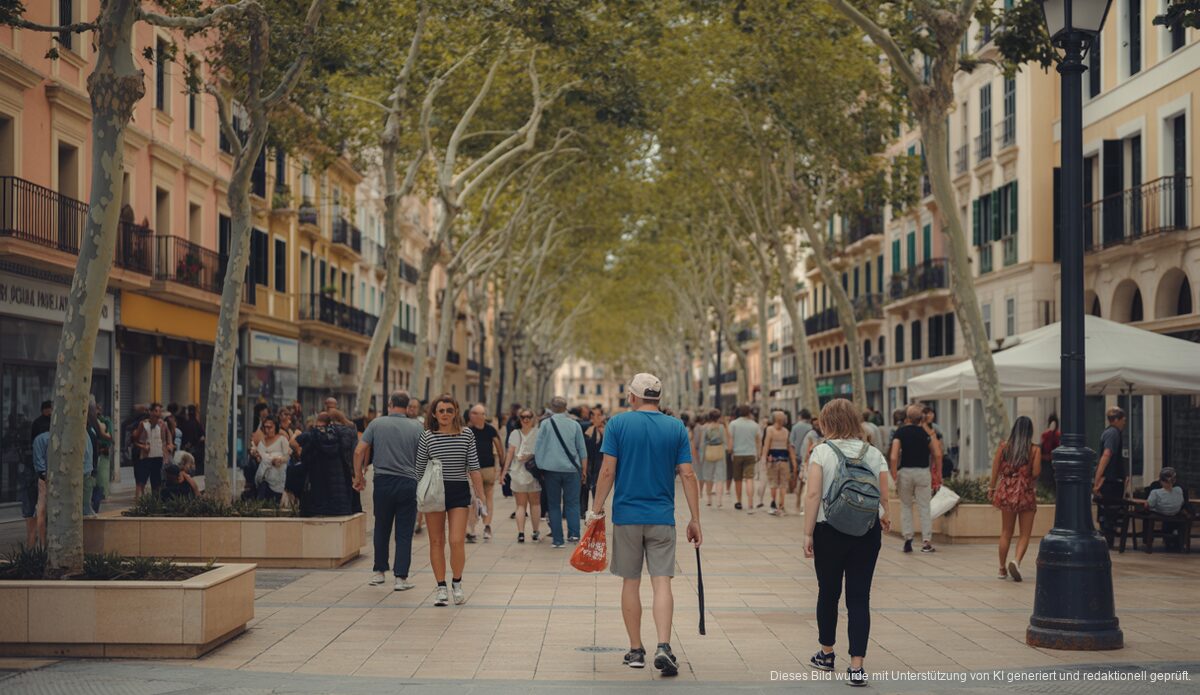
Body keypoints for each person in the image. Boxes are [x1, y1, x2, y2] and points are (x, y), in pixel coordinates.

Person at [590, 373, 700, 677]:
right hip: (662, 517)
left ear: (632, 397)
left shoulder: (618, 424)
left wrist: (596, 509)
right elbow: (688, 475)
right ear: (659, 398)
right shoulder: (675, 426)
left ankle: (636, 650)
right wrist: (695, 519)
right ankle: (663, 645)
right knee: (662, 581)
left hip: (626, 516)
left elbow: (608, 470)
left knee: (631, 582)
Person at [802, 398, 891, 687]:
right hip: (867, 531)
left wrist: (807, 533)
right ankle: (857, 667)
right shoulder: (874, 453)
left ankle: (827, 654)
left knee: (828, 593)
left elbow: (813, 496)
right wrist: (885, 516)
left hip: (829, 530)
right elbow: (884, 494)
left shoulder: (821, 452)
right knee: (859, 597)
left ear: (826, 422)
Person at [416, 394, 486, 606]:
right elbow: (419, 469)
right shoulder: (427, 436)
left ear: (456, 412)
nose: (445, 414)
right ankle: (440, 587)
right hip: (435, 491)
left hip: (458, 490)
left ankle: (457, 582)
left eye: (449, 410)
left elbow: (474, 467)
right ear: (434, 414)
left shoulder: (466, 435)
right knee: (436, 541)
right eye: (441, 411)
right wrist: (420, 496)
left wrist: (481, 498)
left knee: (456, 540)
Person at [354, 391, 423, 590]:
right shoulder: (417, 426)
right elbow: (424, 455)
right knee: (403, 532)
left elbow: (359, 450)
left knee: (382, 528)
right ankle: (401, 578)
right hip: (408, 483)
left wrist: (359, 476)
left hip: (383, 481)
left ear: (390, 404)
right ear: (408, 405)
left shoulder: (376, 424)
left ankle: (379, 572)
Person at [988, 416, 1041, 581]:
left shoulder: (1004, 447)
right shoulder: (1034, 450)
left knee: (1006, 532)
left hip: (1007, 491)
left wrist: (991, 488)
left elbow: (995, 470)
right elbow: (1036, 473)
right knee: (1024, 534)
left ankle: (1002, 569)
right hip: (1025, 492)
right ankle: (1016, 561)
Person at [534, 396, 588, 548]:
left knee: (554, 504)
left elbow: (539, 448)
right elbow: (582, 450)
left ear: (551, 407)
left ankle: (558, 540)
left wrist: (540, 466)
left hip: (551, 470)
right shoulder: (574, 425)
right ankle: (574, 535)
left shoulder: (545, 424)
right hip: (572, 470)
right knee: (572, 503)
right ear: (566, 408)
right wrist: (583, 469)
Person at [889, 404, 941, 553]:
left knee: (906, 506)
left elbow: (893, 456)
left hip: (905, 472)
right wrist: (937, 471)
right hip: (923, 472)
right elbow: (937, 453)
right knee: (924, 507)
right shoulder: (925, 433)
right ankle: (926, 541)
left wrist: (894, 473)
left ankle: (908, 539)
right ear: (921, 418)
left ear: (907, 418)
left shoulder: (900, 432)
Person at [498, 408, 541, 542]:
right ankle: (535, 531)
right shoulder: (538, 433)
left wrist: (504, 472)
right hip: (534, 473)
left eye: (527, 416)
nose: (526, 419)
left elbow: (510, 454)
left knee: (520, 505)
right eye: (524, 417)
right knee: (535, 504)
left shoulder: (514, 434)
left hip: (517, 473)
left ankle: (521, 533)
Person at [467, 404, 504, 543]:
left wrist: (501, 467)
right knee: (478, 499)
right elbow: (499, 448)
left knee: (480, 498)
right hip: (475, 469)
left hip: (485, 469)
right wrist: (502, 465)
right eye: (474, 413)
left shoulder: (468, 431)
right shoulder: (490, 430)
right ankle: (480, 527)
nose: (475, 416)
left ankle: (476, 528)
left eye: (477, 413)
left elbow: (500, 449)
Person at [1094, 406, 1129, 543]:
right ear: (1116, 420)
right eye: (1123, 420)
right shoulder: (1113, 433)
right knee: (1109, 512)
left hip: (1111, 479)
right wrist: (1098, 478)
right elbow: (1106, 455)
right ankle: (1108, 540)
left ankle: (1108, 538)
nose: (1124, 423)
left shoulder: (1110, 432)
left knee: (1108, 512)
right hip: (1111, 481)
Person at [133, 403, 173, 497]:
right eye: (155, 411)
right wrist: (143, 447)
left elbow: (169, 438)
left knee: (156, 483)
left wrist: (169, 446)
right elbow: (134, 440)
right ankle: (140, 502)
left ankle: (156, 502)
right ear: (150, 412)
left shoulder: (163, 425)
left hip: (158, 456)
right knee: (141, 482)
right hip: (146, 457)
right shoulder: (143, 424)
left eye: (159, 411)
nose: (158, 414)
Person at [759, 411, 793, 515]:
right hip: (784, 460)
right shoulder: (786, 431)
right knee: (783, 484)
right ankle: (781, 506)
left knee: (773, 482)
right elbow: (788, 446)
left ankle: (773, 504)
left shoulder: (770, 430)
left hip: (772, 460)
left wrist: (764, 458)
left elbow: (766, 445)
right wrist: (793, 461)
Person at [728, 405, 760, 512]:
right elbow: (758, 440)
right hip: (751, 454)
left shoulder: (733, 424)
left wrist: (730, 451)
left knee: (738, 479)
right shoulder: (755, 425)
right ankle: (750, 503)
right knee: (749, 478)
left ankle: (739, 501)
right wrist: (758, 453)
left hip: (737, 454)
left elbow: (731, 440)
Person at [253, 416, 289, 503]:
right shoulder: (262, 443)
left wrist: (280, 460)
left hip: (277, 480)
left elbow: (287, 457)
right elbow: (260, 460)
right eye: (265, 427)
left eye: (270, 427)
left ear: (275, 427)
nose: (267, 430)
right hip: (264, 479)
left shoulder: (282, 440)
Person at [583, 409, 605, 518]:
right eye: (594, 415)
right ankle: (585, 512)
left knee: (598, 489)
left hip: (601, 464)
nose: (596, 418)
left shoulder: (606, 430)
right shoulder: (588, 430)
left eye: (598, 415)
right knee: (586, 488)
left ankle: (597, 512)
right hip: (589, 463)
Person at [1038, 414, 1060, 487]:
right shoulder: (1058, 435)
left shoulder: (1045, 435)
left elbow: (1042, 447)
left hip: (1046, 461)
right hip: (1053, 461)